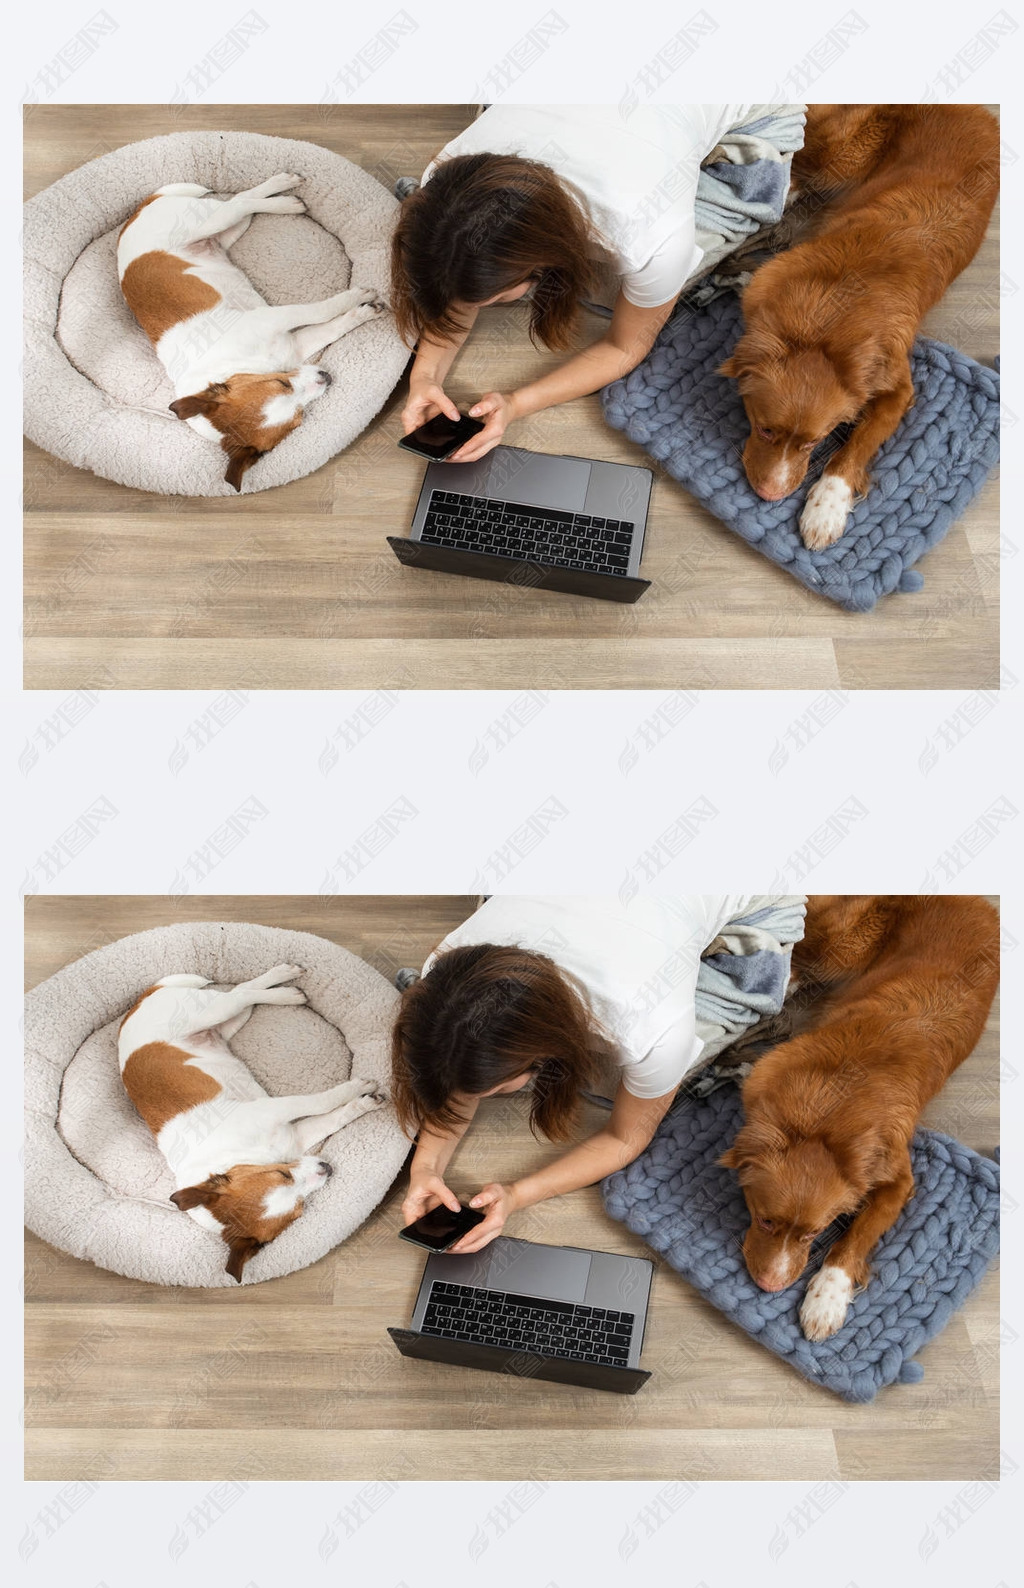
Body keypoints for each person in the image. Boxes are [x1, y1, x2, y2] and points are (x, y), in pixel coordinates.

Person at [390, 105, 759, 463]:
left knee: (629, 291)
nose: (475, 308)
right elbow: (458, 281)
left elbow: (624, 347)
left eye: (495, 297)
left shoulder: (651, 239)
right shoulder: (444, 180)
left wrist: (517, 403)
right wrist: (424, 378)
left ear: (539, 262)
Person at [393, 894, 755, 1252]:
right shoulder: (443, 973)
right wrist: (425, 1169)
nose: (473, 1099)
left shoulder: (652, 1030)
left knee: (620, 1084)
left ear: (540, 1054)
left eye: (495, 1088)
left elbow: (624, 1138)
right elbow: (458, 1069)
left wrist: (518, 1195)